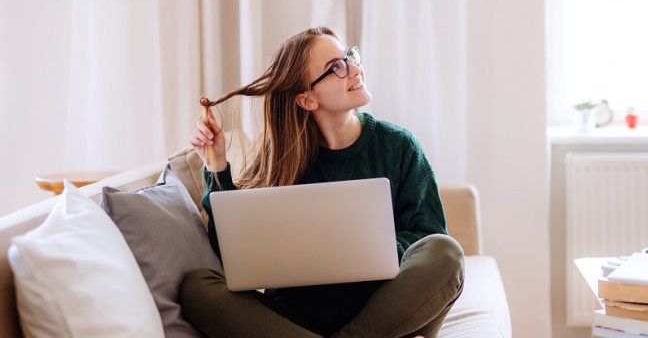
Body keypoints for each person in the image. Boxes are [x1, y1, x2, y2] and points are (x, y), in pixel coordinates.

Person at [181, 26, 464, 338]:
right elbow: (233, 258)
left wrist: (368, 252)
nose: (355, 68)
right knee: (198, 287)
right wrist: (216, 165)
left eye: (349, 56)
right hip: (297, 319)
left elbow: (427, 237)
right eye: (336, 67)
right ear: (306, 99)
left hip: (384, 313)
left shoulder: (399, 147)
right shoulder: (279, 159)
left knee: (445, 253)